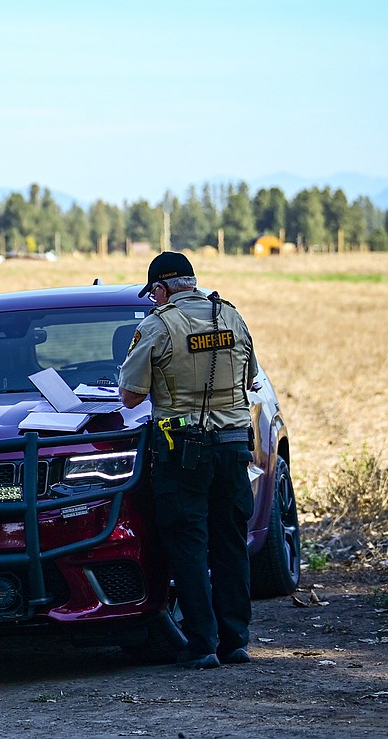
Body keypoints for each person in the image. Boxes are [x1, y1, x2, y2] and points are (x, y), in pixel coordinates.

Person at [117, 251, 259, 670]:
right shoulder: (231, 317)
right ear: (192, 283)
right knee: (231, 543)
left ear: (160, 289)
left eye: (153, 294)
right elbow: (250, 377)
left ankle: (201, 644)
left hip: (183, 450)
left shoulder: (157, 326)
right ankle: (236, 641)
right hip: (234, 446)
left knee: (189, 544)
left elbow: (129, 396)